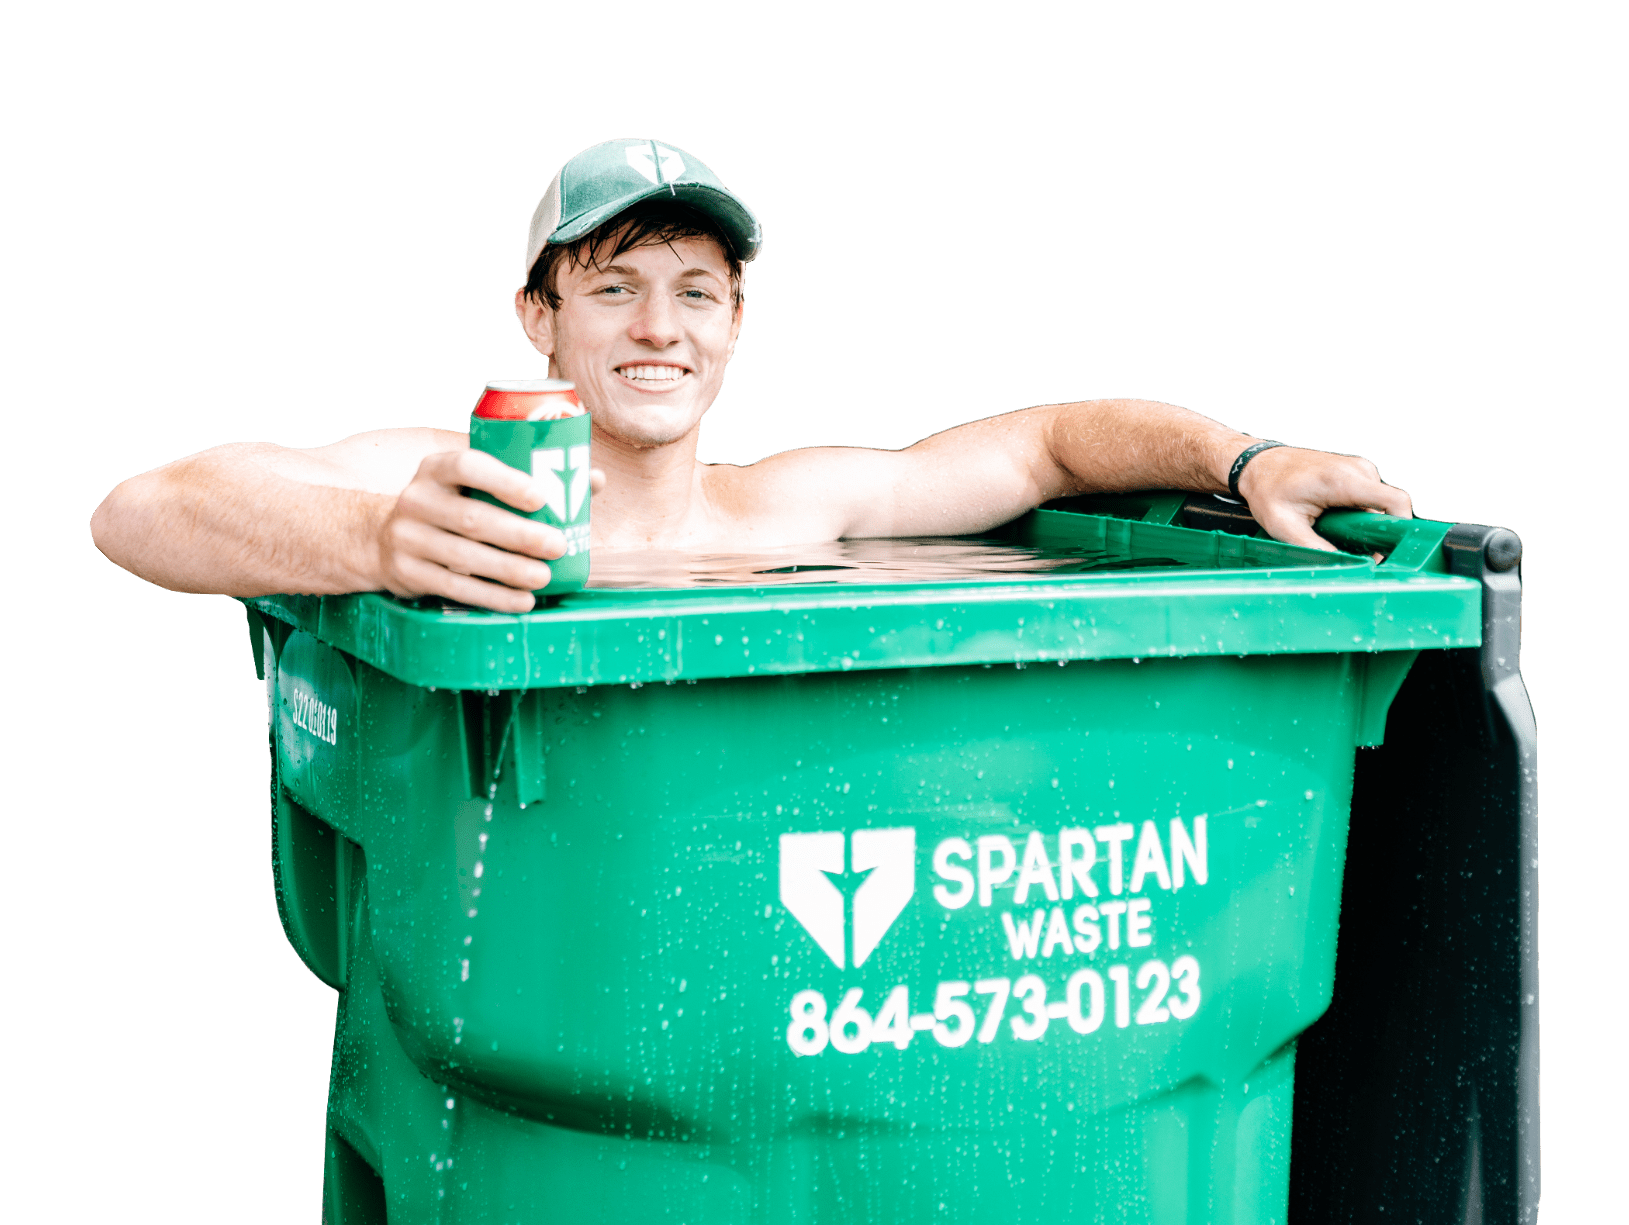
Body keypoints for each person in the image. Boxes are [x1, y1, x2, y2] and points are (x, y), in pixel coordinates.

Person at [91, 138, 1411, 611]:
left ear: (732, 327)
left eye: (697, 293)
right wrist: (381, 540)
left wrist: (1246, 463)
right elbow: (140, 508)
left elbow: (1058, 443)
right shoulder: (449, 489)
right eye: (612, 288)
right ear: (537, 316)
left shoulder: (789, 510)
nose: (659, 327)